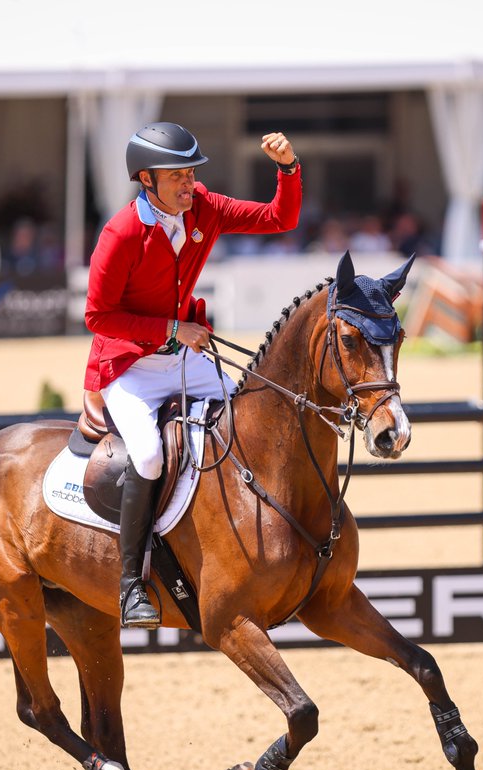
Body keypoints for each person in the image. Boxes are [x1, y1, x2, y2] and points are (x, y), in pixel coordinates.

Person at [84, 121, 301, 628]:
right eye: (177, 176)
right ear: (146, 179)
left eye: (191, 173)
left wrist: (288, 168)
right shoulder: (121, 233)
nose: (189, 184)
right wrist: (171, 329)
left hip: (184, 358)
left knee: (248, 419)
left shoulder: (204, 208)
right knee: (152, 455)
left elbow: (279, 218)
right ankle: (131, 585)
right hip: (130, 368)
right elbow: (98, 317)